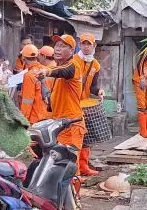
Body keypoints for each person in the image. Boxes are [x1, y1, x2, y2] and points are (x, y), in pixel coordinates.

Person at [36, 34, 87, 173]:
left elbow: (63, 71)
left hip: (72, 125)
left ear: (71, 51)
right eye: (57, 45)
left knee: (69, 169)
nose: (57, 49)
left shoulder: (73, 65)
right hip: (59, 125)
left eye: (63, 46)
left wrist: (47, 71)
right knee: (59, 168)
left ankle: (74, 195)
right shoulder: (59, 69)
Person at [75, 33, 106, 176]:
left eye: (89, 44)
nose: (86, 47)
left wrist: (99, 91)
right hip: (71, 104)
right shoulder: (73, 60)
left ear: (94, 46)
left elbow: (93, 86)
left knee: (87, 137)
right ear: (80, 45)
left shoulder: (96, 65)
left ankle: (84, 167)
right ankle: (74, 169)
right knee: (74, 137)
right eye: (84, 44)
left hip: (85, 105)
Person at [18, 44, 50, 124]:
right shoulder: (46, 70)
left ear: (23, 58)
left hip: (35, 119)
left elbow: (27, 101)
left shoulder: (29, 75)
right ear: (37, 56)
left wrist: (23, 122)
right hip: (48, 116)